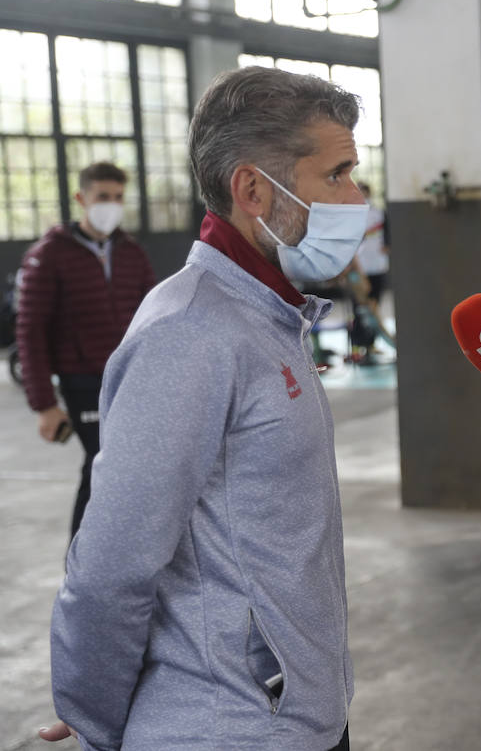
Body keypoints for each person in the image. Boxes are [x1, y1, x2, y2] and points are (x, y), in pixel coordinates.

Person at [41, 67, 367, 750]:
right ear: (253, 190)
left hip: (300, 716)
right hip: (231, 726)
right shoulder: (190, 335)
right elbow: (109, 568)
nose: (357, 197)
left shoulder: (271, 318)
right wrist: (96, 715)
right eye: (336, 175)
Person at [15, 161, 155, 538]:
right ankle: (80, 566)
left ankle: (122, 552)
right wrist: (44, 404)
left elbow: (154, 320)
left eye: (118, 197)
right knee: (101, 464)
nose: (112, 204)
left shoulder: (131, 253)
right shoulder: (49, 255)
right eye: (103, 197)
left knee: (133, 468)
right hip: (82, 381)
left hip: (130, 378)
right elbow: (30, 331)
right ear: (82, 198)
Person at [354, 180, 390, 309]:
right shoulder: (352, 214)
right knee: (360, 299)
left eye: (365, 192)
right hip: (358, 263)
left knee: (376, 295)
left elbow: (387, 233)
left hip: (377, 259)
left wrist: (386, 246)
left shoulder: (378, 212)